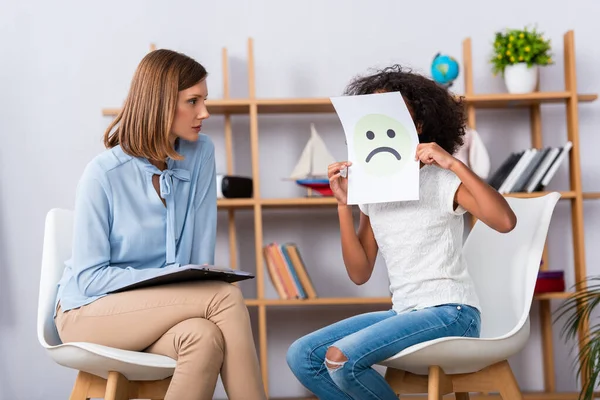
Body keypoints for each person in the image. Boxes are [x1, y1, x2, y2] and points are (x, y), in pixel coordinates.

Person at [286, 65, 517, 400]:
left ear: (419, 124)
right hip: (405, 310)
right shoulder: (373, 188)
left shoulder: (441, 180)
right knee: (304, 356)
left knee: (341, 360)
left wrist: (453, 163)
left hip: (452, 311)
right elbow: (359, 272)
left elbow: (505, 221)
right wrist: (343, 206)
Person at [53, 49, 266, 400]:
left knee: (204, 337)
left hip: (157, 313)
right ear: (160, 104)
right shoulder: (103, 174)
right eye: (193, 101)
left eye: (205, 100)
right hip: (87, 313)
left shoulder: (200, 153)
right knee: (225, 297)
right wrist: (162, 287)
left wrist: (177, 290)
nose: (204, 113)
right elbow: (89, 279)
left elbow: (199, 263)